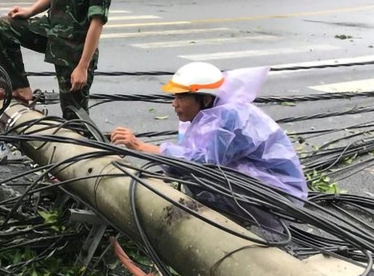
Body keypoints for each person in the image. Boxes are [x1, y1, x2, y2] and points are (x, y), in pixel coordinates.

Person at [110, 63, 307, 221]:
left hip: (279, 195)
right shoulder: (212, 113)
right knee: (191, 179)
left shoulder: (230, 118)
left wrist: (139, 146)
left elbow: (204, 164)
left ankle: (253, 230)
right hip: (258, 183)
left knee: (201, 183)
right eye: (174, 96)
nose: (174, 104)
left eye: (181, 97)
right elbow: (191, 154)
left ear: (204, 99)